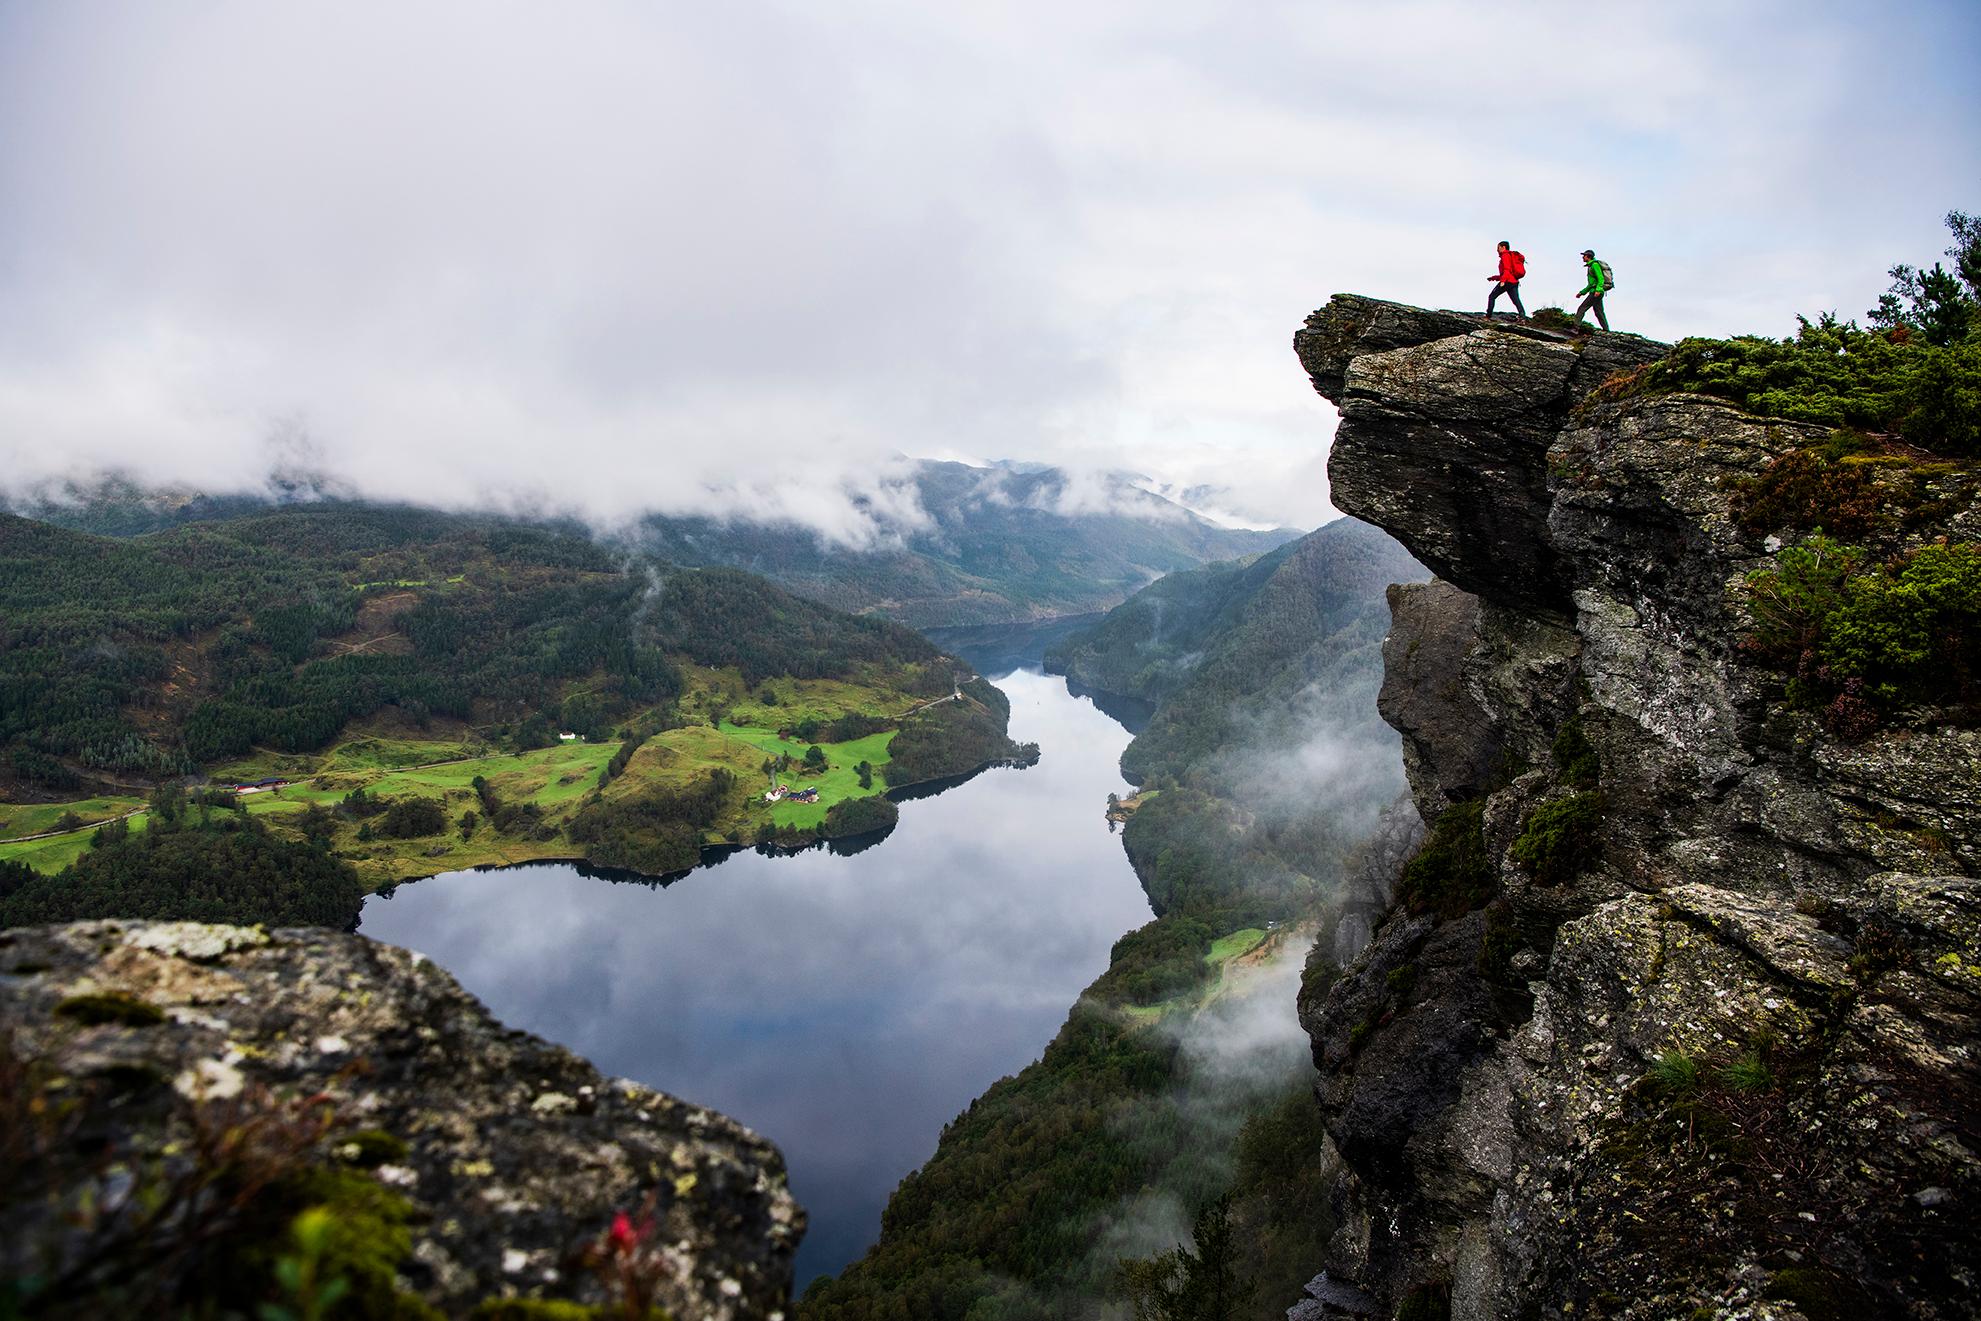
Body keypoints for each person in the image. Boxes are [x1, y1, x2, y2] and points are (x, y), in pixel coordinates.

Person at [1487, 240, 1526, 318]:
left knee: (1492, 296)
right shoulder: (1510, 255)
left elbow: (1507, 270)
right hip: (1514, 282)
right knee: (1516, 300)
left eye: (1498, 247)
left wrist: (1503, 281)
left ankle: (1488, 316)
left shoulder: (1505, 255)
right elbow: (1508, 272)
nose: (1497, 250)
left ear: (1503, 247)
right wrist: (1493, 278)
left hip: (1507, 281)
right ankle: (1522, 317)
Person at [1575, 248, 1610, 331]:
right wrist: (1582, 292)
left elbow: (1600, 278)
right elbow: (1591, 284)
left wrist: (1598, 290)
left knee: (1582, 308)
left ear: (1588, 256)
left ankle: (1575, 328)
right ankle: (1606, 330)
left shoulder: (1594, 265)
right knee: (1599, 312)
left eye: (1584, 256)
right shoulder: (1591, 266)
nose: (1583, 257)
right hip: (1596, 292)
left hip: (1595, 292)